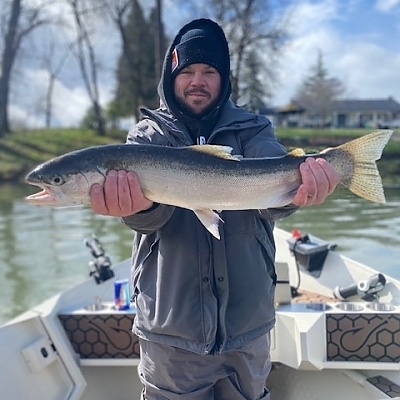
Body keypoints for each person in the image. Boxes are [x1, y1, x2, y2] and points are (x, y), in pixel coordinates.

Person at [90, 18, 340, 400]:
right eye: (187, 70)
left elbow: (271, 199)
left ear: (224, 79)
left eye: (209, 71)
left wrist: (296, 193)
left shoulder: (254, 130)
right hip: (172, 330)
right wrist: (139, 210)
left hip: (248, 325)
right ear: (171, 75)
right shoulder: (146, 138)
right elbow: (149, 221)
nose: (197, 80)